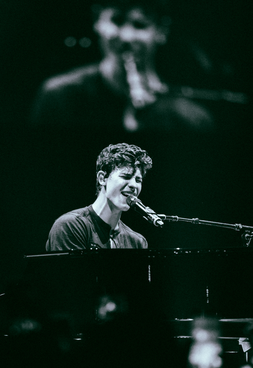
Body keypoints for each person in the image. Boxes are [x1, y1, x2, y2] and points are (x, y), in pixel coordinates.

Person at [30, 0, 214, 134]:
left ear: (161, 31)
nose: (126, 36)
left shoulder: (191, 117)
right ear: (97, 22)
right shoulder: (58, 97)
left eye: (139, 24)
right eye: (116, 20)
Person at [46, 142, 153, 251]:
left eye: (138, 180)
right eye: (126, 176)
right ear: (102, 178)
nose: (134, 185)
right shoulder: (70, 226)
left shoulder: (137, 242)